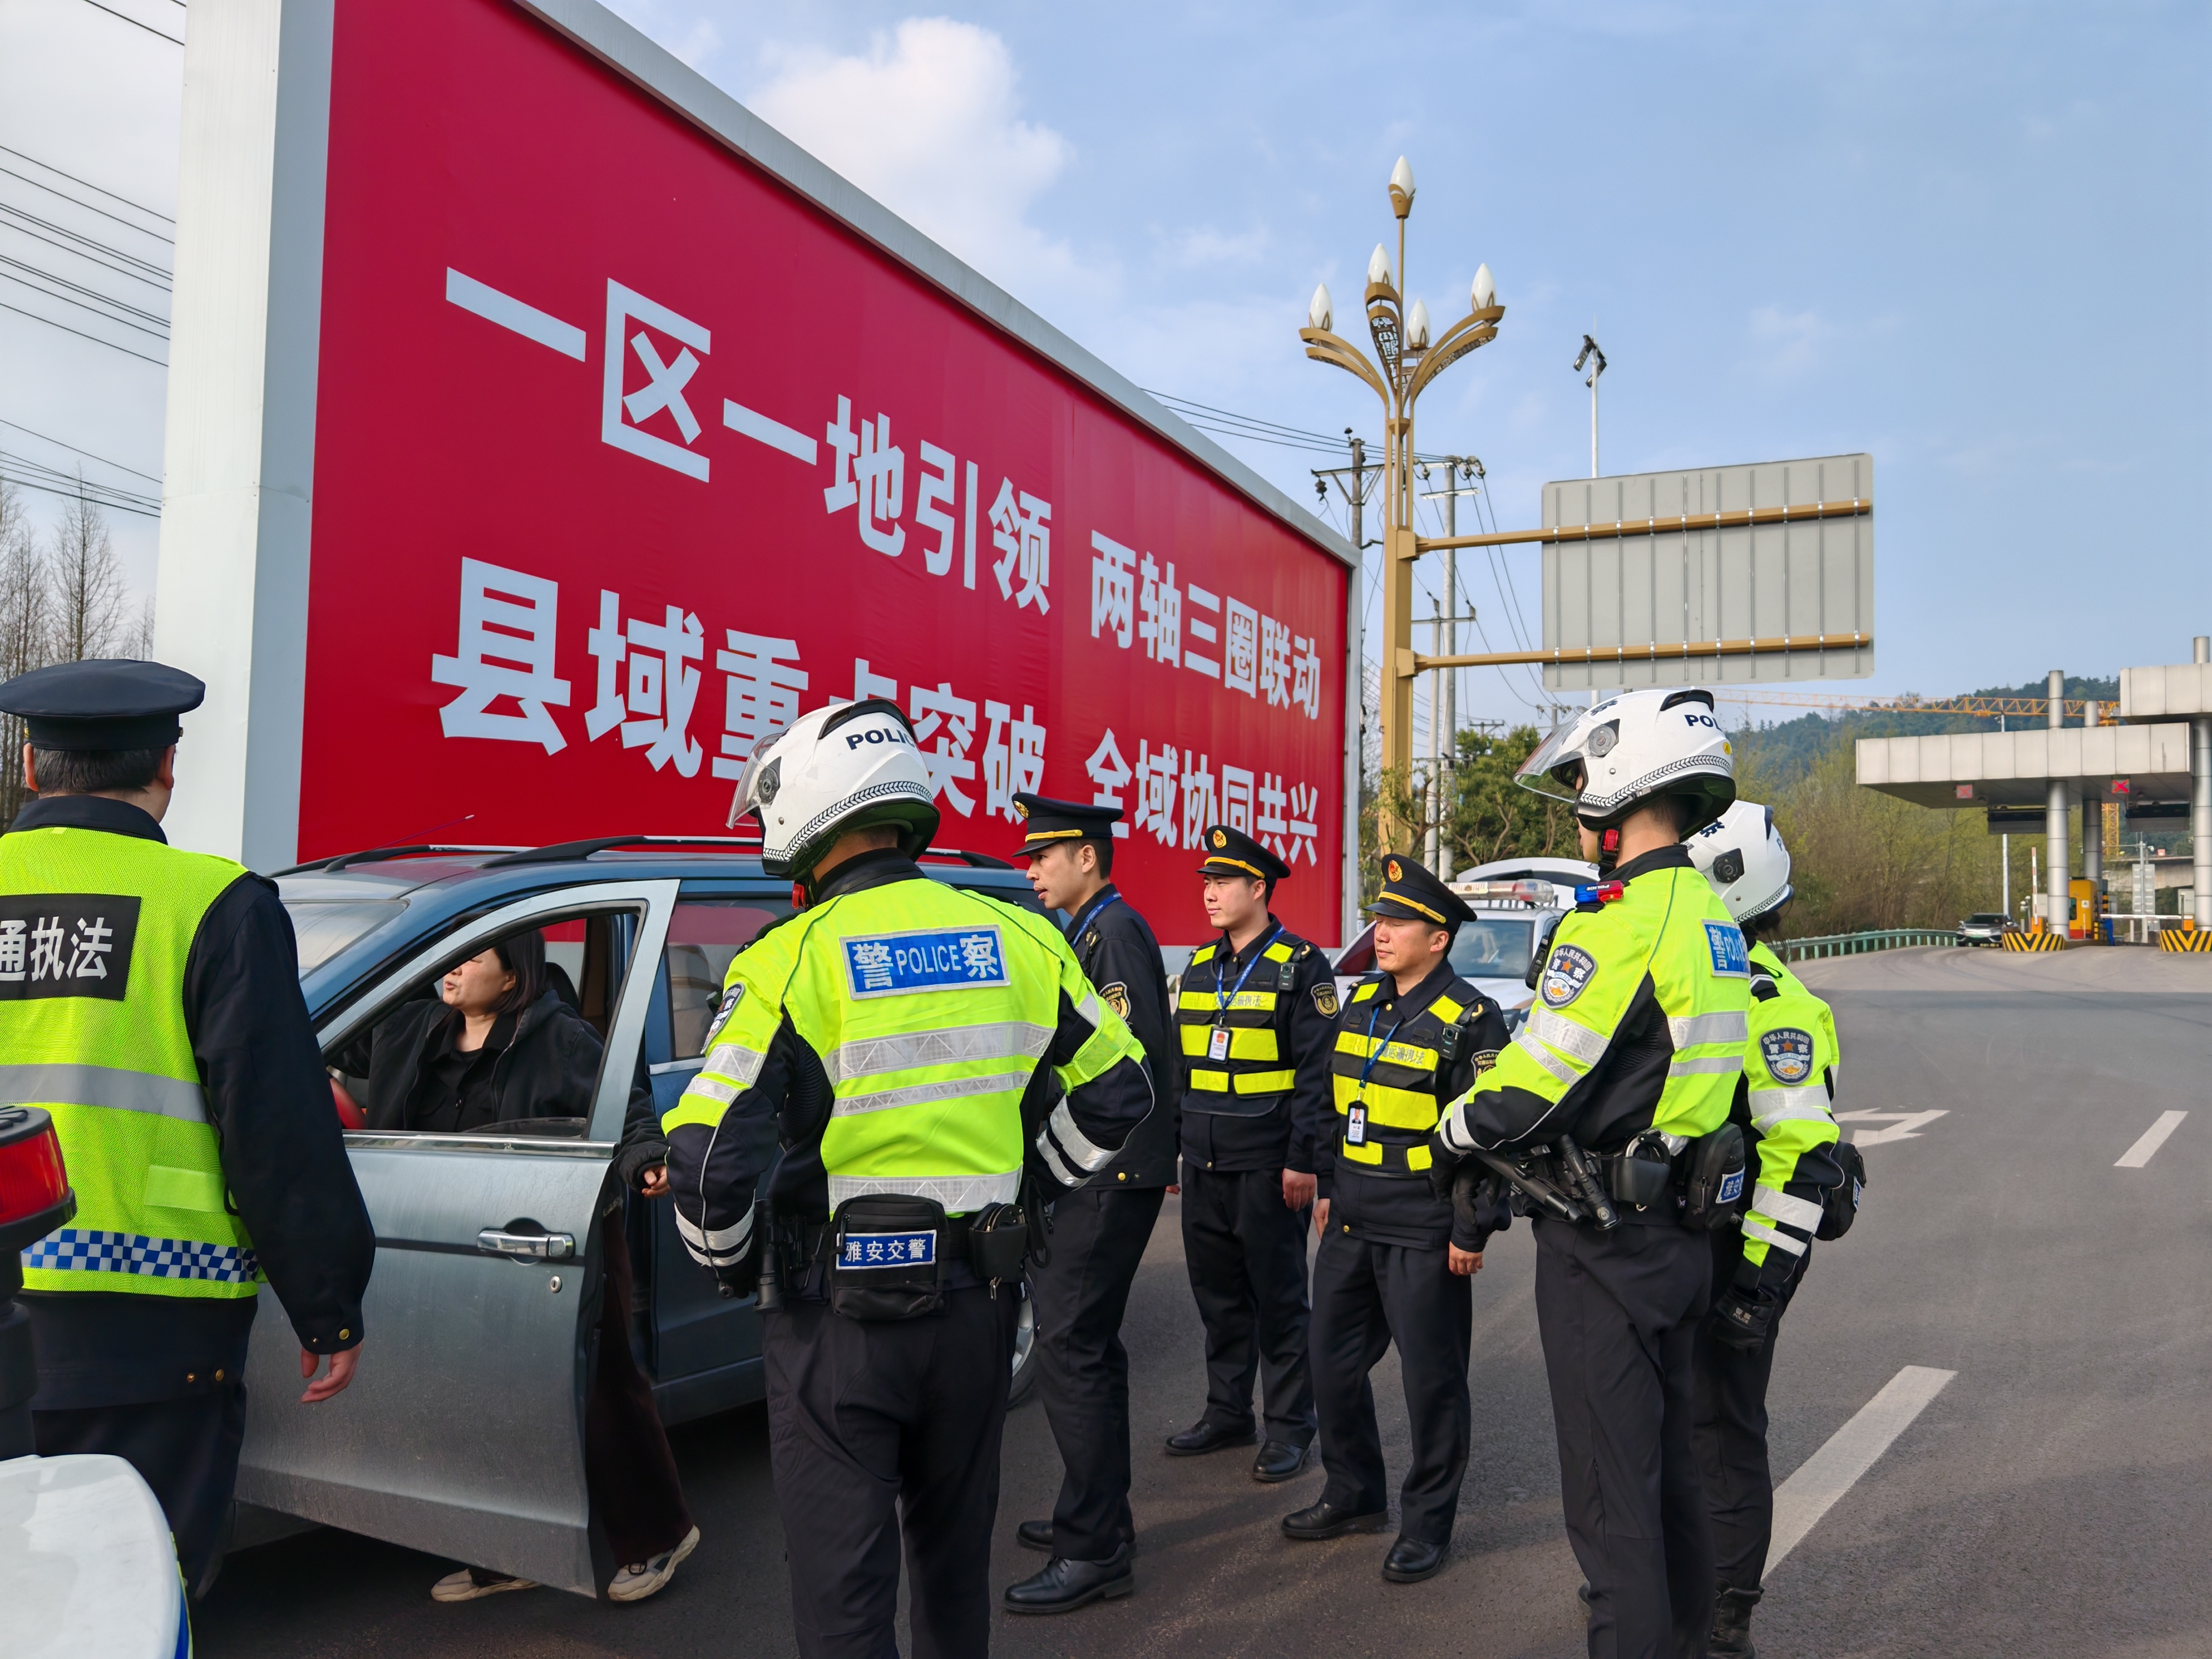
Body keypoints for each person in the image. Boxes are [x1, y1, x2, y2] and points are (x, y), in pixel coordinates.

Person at [663, 698, 1154, 1659]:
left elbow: (710, 1156)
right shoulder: (1022, 936)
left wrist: (733, 1264)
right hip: (979, 1312)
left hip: (835, 1322)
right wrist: (1033, 1190)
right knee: (953, 1575)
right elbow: (1122, 1088)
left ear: (806, 809)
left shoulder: (789, 957)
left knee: (844, 1601)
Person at [0, 659, 375, 1600]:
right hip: (149, 1331)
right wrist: (327, 1301)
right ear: (168, 766)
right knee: (127, 1597)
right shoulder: (215, 904)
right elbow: (276, 1124)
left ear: (31, 768)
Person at [1432, 687, 1749, 1659]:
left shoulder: (1617, 921)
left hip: (1603, 1240)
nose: (1576, 806)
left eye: (1580, 784)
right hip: (1682, 1235)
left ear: (1620, 785)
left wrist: (1452, 1127)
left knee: (1612, 1503)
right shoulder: (1711, 916)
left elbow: (1536, 1083)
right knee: (1671, 1478)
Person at [332, 927, 700, 1604]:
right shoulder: (411, 1029)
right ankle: (510, 1552)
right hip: (448, 1239)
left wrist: (646, 1158)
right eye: (451, 956)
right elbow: (330, 1031)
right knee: (481, 1394)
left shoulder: (560, 1038)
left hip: (551, 1235)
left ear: (512, 976)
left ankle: (658, 1536)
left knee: (602, 1387)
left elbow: (626, 1111)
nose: (453, 968)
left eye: (473, 957)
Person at [1284, 855, 1508, 1584]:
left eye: (1398, 922)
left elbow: (1490, 1137)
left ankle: (1426, 1525)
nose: (1380, 933)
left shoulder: (1471, 1018)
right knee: (1329, 1364)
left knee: (1431, 1385)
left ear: (1437, 939)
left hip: (1423, 1227)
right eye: (1379, 919)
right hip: (1351, 1220)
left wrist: (1470, 1229)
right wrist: (1326, 1185)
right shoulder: (1361, 1005)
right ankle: (1353, 1493)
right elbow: (1332, 1102)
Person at [1002, 793, 1180, 1614]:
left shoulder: (1112, 934)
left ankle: (1094, 1550)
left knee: (1070, 1348)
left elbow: (1124, 1069)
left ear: (1086, 857)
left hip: (1105, 1173)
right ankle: (1098, 1514)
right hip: (1096, 1171)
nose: (1032, 872)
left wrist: (1073, 1163)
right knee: (1089, 1350)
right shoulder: (1085, 931)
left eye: (1044, 856)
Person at [1687, 801, 1846, 1659]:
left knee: (1723, 1435)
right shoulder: (1696, 981)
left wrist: (1758, 1290)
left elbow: (1803, 1160)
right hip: (1677, 1248)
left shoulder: (1773, 1003)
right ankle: (1669, 1585)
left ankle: (1727, 1614)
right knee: (1667, 1431)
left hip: (1735, 1255)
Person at [1167, 824, 1334, 1483]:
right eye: (1205, 883)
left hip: (1268, 1165)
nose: (1209, 894)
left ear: (1257, 888)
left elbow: (1317, 1074)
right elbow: (1180, 1067)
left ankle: (1290, 1428)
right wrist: (1176, 1147)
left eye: (1223, 882)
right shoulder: (1199, 968)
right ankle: (1228, 1412)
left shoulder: (1302, 965)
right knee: (1218, 1299)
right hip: (1204, 1163)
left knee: (1279, 1301)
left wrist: (1305, 1161)